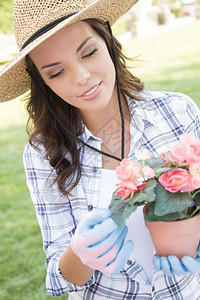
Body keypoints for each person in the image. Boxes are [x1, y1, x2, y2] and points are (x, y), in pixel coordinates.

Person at [0, 0, 200, 298]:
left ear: (108, 41)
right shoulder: (44, 154)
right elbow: (59, 278)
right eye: (56, 73)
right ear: (43, 83)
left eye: (89, 52)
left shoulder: (176, 110)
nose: (81, 77)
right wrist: (81, 254)